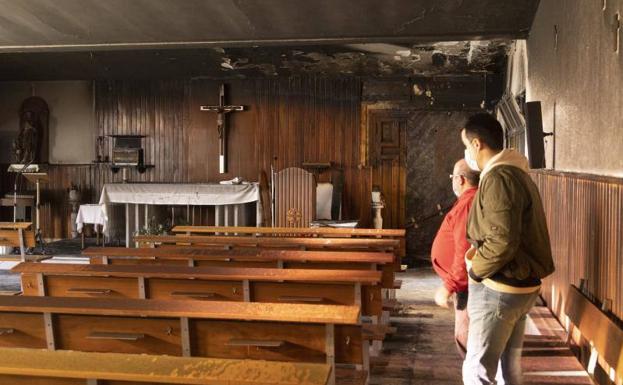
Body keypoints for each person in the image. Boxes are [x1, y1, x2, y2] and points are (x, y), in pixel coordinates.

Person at [460, 113, 555, 385]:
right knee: (508, 368)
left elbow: (502, 242)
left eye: (467, 146)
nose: (467, 152)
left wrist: (475, 271)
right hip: (519, 286)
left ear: (477, 144)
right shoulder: (515, 172)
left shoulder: (500, 177)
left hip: (501, 287)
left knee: (477, 371)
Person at [430, 159, 480, 355]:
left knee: (466, 338)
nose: (452, 180)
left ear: (460, 179)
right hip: (466, 284)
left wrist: (449, 286)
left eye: (452, 177)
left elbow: (465, 250)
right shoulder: (470, 200)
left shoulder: (468, 204)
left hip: (466, 286)